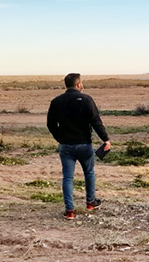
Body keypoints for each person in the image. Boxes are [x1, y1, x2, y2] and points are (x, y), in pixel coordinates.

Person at [47, 73, 111, 220]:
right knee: (89, 173)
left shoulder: (56, 101)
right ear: (78, 84)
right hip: (84, 144)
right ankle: (90, 202)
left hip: (66, 145)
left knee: (67, 178)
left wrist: (60, 138)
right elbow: (96, 121)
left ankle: (70, 211)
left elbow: (51, 124)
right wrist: (105, 139)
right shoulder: (87, 99)